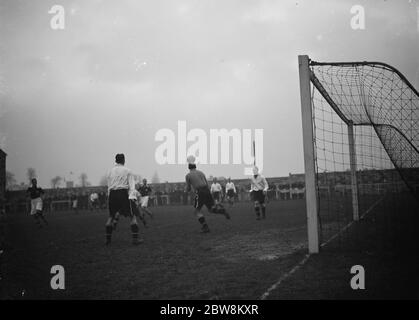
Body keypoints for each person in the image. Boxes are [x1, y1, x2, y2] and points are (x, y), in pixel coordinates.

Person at [185, 155, 230, 233]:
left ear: (189, 167)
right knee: (211, 209)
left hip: (200, 192)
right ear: (195, 166)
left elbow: (188, 188)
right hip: (207, 191)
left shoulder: (188, 175)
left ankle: (205, 227)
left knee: (197, 211)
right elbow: (206, 183)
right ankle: (222, 211)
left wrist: (187, 190)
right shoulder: (201, 173)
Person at [105, 153, 143, 245]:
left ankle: (108, 240)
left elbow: (109, 186)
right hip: (123, 193)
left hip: (112, 194)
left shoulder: (110, 171)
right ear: (123, 160)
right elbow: (132, 186)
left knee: (111, 217)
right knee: (132, 216)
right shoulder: (128, 171)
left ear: (116, 160)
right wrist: (133, 198)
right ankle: (135, 240)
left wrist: (109, 197)